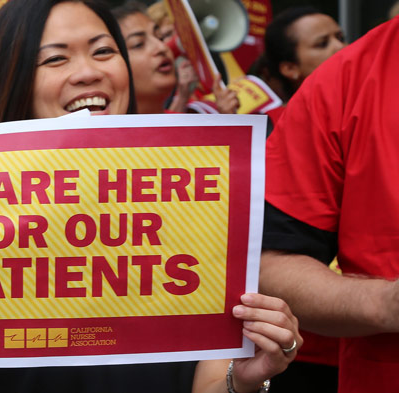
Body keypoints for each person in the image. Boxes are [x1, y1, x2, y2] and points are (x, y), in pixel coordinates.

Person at [0, 1, 300, 392]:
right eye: (56, 59)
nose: (88, 73)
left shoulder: (203, 193)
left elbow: (212, 382)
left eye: (104, 52)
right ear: (12, 78)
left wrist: (245, 378)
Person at [259, 15, 399, 393]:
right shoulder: (344, 82)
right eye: (321, 42)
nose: (335, 46)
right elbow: (272, 265)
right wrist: (386, 304)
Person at [112, 2, 239, 115]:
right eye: (138, 44)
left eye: (160, 37)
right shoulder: (107, 139)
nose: (162, 47)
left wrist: (228, 123)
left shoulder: (195, 125)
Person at [262, 7, 345, 117]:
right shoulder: (270, 128)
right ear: (290, 68)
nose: (341, 47)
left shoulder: (367, 106)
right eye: (322, 44)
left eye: (341, 38)